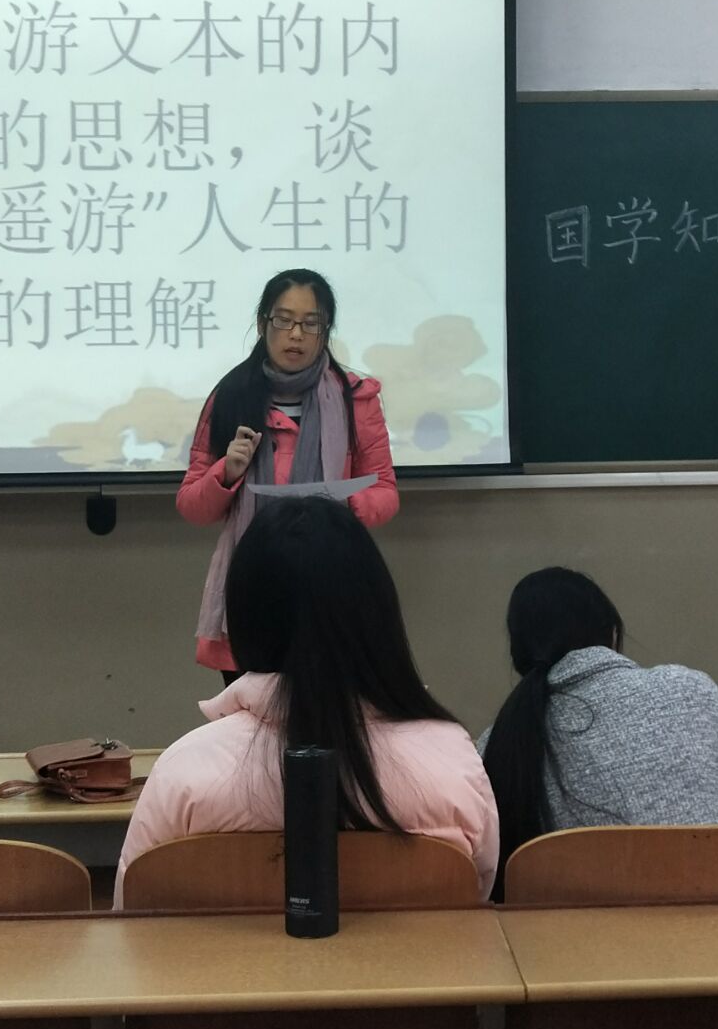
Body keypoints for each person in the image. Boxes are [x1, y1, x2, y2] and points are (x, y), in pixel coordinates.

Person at [117, 496, 498, 905]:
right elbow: (476, 899)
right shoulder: (452, 763)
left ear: (245, 618)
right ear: (377, 614)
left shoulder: (184, 770)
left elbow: (132, 913)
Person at [478, 567, 718, 896]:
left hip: (584, 928)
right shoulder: (688, 690)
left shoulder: (498, 744)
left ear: (518, 657)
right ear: (612, 633)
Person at [178, 269, 397, 679]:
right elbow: (192, 506)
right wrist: (227, 472)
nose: (296, 334)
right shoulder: (231, 395)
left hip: (330, 586)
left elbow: (386, 491)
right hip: (251, 589)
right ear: (263, 324)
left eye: (311, 323)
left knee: (324, 714)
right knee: (249, 717)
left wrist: (345, 504)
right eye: (284, 320)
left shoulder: (356, 399)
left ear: (325, 331)